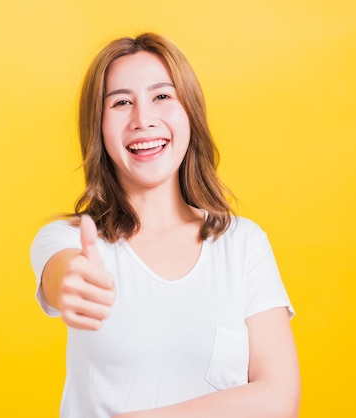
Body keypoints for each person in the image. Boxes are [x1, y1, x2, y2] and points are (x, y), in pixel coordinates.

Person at [30, 33, 300, 418]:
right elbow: (63, 275)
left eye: (162, 96)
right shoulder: (70, 239)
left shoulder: (243, 244)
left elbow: (279, 400)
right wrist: (71, 282)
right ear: (99, 126)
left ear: (189, 111)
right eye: (121, 102)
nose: (143, 120)